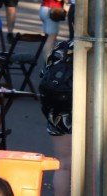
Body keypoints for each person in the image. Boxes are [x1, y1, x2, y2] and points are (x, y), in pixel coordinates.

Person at [40, 39, 73, 196]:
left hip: (58, 111)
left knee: (64, 165)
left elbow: (44, 75)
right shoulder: (101, 49)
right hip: (89, 110)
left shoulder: (61, 48)